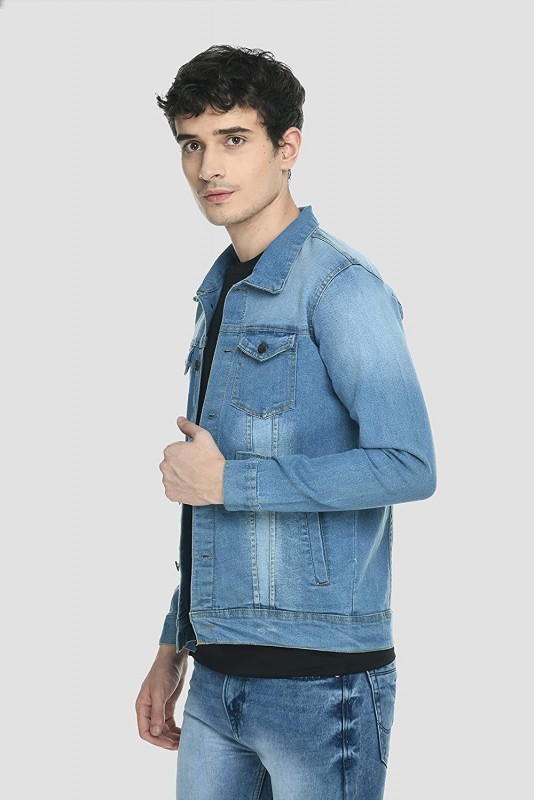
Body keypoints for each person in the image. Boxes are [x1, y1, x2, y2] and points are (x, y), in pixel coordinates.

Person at [135, 45, 436, 800]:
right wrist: (175, 643)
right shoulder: (220, 293)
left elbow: (408, 464)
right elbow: (207, 496)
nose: (209, 167)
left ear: (287, 147)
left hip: (322, 682)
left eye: (234, 139)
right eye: (192, 144)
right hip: (216, 681)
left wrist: (231, 481)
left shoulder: (341, 286)